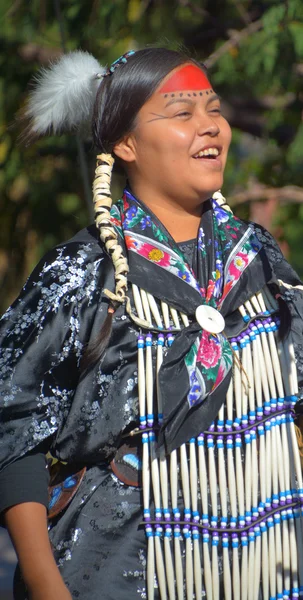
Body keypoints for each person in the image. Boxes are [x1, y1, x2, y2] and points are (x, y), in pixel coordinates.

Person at [1, 47, 303, 600]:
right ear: (126, 143)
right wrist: (47, 589)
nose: (210, 126)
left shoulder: (260, 261)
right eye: (182, 114)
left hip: (264, 561)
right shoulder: (83, 274)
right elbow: (12, 431)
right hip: (118, 570)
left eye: (213, 108)